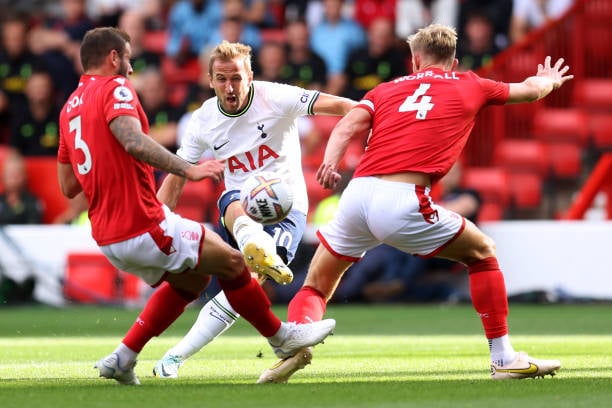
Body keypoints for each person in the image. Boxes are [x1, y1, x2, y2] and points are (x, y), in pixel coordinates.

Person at [257, 23, 572, 383]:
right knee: (482, 252)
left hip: (356, 195)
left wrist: (329, 163)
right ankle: (503, 358)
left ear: (415, 59)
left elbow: (345, 127)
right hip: (403, 198)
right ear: (452, 61)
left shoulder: (385, 89)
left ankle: (296, 345)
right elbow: (530, 91)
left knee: (315, 284)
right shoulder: (470, 83)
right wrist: (549, 80)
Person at [57, 27, 336, 385]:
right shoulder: (115, 88)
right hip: (144, 220)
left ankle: (123, 357)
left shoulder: (69, 108)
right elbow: (133, 141)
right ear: (114, 57)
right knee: (234, 263)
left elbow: (67, 186)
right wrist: (187, 168)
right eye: (127, 58)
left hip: (107, 234)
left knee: (196, 278)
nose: (130, 68)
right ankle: (280, 337)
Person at [151, 40, 356, 379]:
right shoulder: (203, 120)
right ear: (210, 80)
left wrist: (378, 118)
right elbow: (177, 177)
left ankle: (174, 357)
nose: (229, 87)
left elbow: (343, 105)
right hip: (239, 205)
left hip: (286, 207)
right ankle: (252, 245)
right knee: (230, 202)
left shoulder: (275, 97)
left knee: (246, 284)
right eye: (221, 79)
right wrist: (156, 225)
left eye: (236, 78)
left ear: (250, 76)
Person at [0, 150, 44, 224]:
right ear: (2, 177)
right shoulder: (1, 200)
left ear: (25, 177)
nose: (13, 178)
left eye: (17, 174)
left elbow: (34, 224)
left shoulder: (33, 202)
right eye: (10, 174)